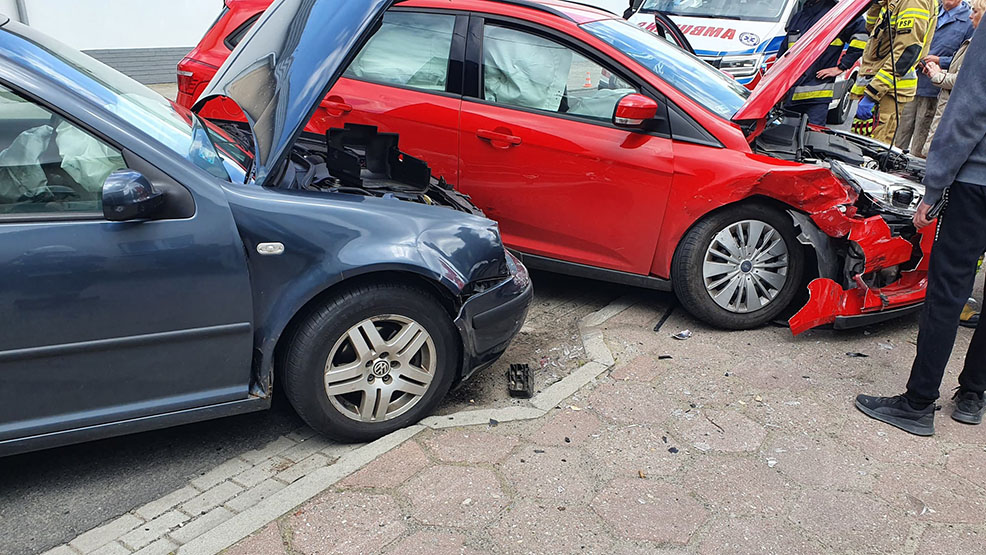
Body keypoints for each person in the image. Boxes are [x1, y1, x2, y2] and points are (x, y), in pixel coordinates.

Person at [855, 22, 986, 436]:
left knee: (948, 291)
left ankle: (918, 403)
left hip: (978, 185)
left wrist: (934, 188)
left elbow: (970, 108)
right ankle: (973, 396)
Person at [853, 0, 938, 144]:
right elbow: (871, 28)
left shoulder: (913, 2)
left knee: (870, 151)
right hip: (880, 89)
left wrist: (873, 93)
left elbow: (906, 52)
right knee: (859, 146)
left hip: (886, 92)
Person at [895, 0, 974, 155]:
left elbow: (964, 61)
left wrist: (939, 61)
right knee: (898, 136)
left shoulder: (969, 21)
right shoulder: (931, 11)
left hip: (934, 90)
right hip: (911, 84)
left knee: (920, 142)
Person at [779, 0, 868, 125]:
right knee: (785, 140)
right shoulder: (799, 16)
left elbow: (862, 38)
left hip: (816, 100)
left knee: (812, 140)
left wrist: (842, 67)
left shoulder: (838, 14)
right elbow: (783, 55)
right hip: (790, 98)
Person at [920, 0, 982, 157]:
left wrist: (938, 73)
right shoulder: (932, 12)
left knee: (930, 154)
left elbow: (963, 80)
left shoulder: (979, 44)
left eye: (975, 12)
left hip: (948, 105)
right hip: (922, 86)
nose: (970, 16)